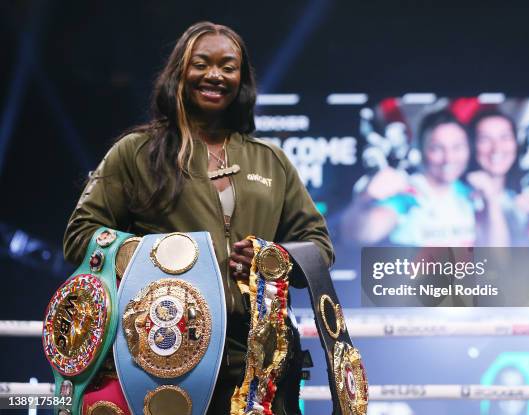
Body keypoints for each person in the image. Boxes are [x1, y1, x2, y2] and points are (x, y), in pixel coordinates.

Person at [63, 21, 333, 413]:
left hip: (261, 361)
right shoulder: (135, 152)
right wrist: (157, 258)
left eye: (228, 66)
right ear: (178, 73)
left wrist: (272, 260)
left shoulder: (270, 161)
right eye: (202, 64)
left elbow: (318, 247)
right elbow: (80, 236)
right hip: (163, 354)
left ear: (241, 79)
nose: (215, 75)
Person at [342, 110, 475, 247]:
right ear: (421, 151)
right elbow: (363, 234)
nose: (449, 158)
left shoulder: (470, 194)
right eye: (437, 148)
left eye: (457, 147)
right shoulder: (408, 194)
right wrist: (365, 198)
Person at [466, 109, 529, 246]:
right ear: (472, 146)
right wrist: (490, 197)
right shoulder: (461, 198)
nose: (496, 148)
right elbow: (496, 262)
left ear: (516, 144)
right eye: (485, 139)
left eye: (505, 137)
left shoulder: (520, 199)